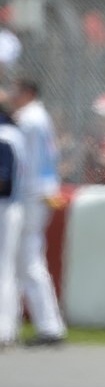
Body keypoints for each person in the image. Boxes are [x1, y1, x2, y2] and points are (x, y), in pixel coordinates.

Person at [10, 80, 65, 346]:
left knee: (28, 260)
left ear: (28, 93)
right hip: (41, 193)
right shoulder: (38, 117)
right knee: (24, 259)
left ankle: (49, 326)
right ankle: (17, 322)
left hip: (32, 194)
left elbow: (23, 162)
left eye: (16, 90)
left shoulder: (28, 120)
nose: (11, 95)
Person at [0, 94, 27, 348]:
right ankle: (9, 325)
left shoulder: (4, 137)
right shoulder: (15, 134)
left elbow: (3, 181)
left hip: (5, 207)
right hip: (15, 207)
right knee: (9, 269)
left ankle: (4, 329)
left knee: (3, 269)